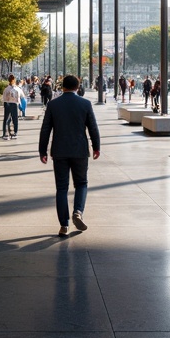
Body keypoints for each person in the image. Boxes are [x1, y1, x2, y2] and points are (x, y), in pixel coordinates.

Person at [39, 75, 101, 237]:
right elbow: (93, 127)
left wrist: (42, 151)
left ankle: (64, 225)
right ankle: (78, 212)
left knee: (61, 188)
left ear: (62, 87)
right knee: (81, 183)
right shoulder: (85, 104)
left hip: (59, 151)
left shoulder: (53, 105)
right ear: (78, 87)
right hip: (80, 150)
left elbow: (46, 129)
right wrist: (96, 147)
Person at [1, 74, 23, 140]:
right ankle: (15, 132)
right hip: (14, 104)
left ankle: (5, 133)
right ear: (14, 80)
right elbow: (22, 96)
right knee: (15, 119)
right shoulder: (17, 89)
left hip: (7, 103)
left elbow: (4, 97)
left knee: (6, 119)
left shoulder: (6, 89)